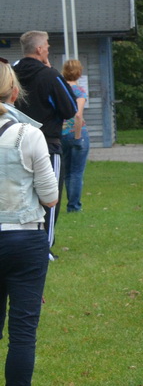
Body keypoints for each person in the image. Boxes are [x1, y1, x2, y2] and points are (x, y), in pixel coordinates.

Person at [0, 63, 58, 386]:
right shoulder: (27, 135)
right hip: (23, 237)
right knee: (22, 332)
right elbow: (51, 196)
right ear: (14, 92)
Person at [13, 31, 77, 251]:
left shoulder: (10, 74)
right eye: (47, 46)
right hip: (47, 144)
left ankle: (20, 243)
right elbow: (70, 108)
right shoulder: (49, 76)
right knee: (49, 195)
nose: (48, 49)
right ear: (39, 49)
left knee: (21, 195)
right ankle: (44, 248)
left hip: (14, 142)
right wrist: (52, 71)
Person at [59, 59, 89, 213]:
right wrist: (77, 137)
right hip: (76, 133)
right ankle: (74, 206)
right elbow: (78, 115)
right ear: (79, 72)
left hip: (61, 134)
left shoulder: (60, 89)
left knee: (67, 172)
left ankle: (68, 203)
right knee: (77, 172)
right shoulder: (79, 92)